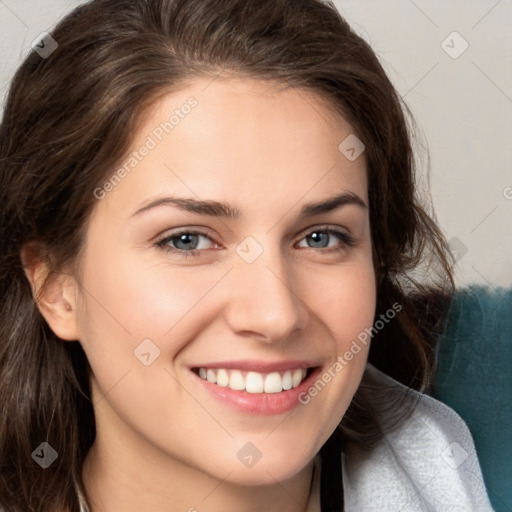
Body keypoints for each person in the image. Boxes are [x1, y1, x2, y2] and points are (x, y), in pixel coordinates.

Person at [0, 0, 494, 511]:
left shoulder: (461, 469)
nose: (275, 315)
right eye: (187, 240)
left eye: (321, 237)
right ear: (55, 285)